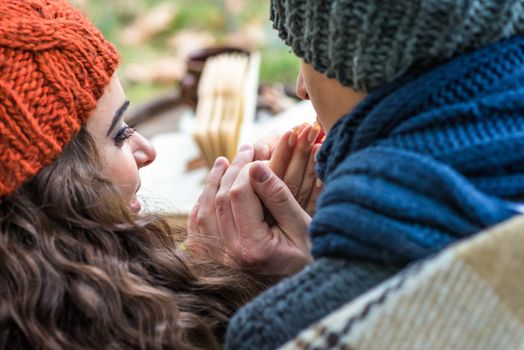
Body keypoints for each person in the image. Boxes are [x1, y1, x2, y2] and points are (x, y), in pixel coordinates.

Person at [187, 0, 524, 349]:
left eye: (305, 53)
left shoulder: (285, 329)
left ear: (357, 57)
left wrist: (234, 290)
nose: (301, 87)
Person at [0, 0, 321, 348]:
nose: (147, 150)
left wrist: (211, 275)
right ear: (53, 184)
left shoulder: (55, 307)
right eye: (119, 134)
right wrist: (305, 288)